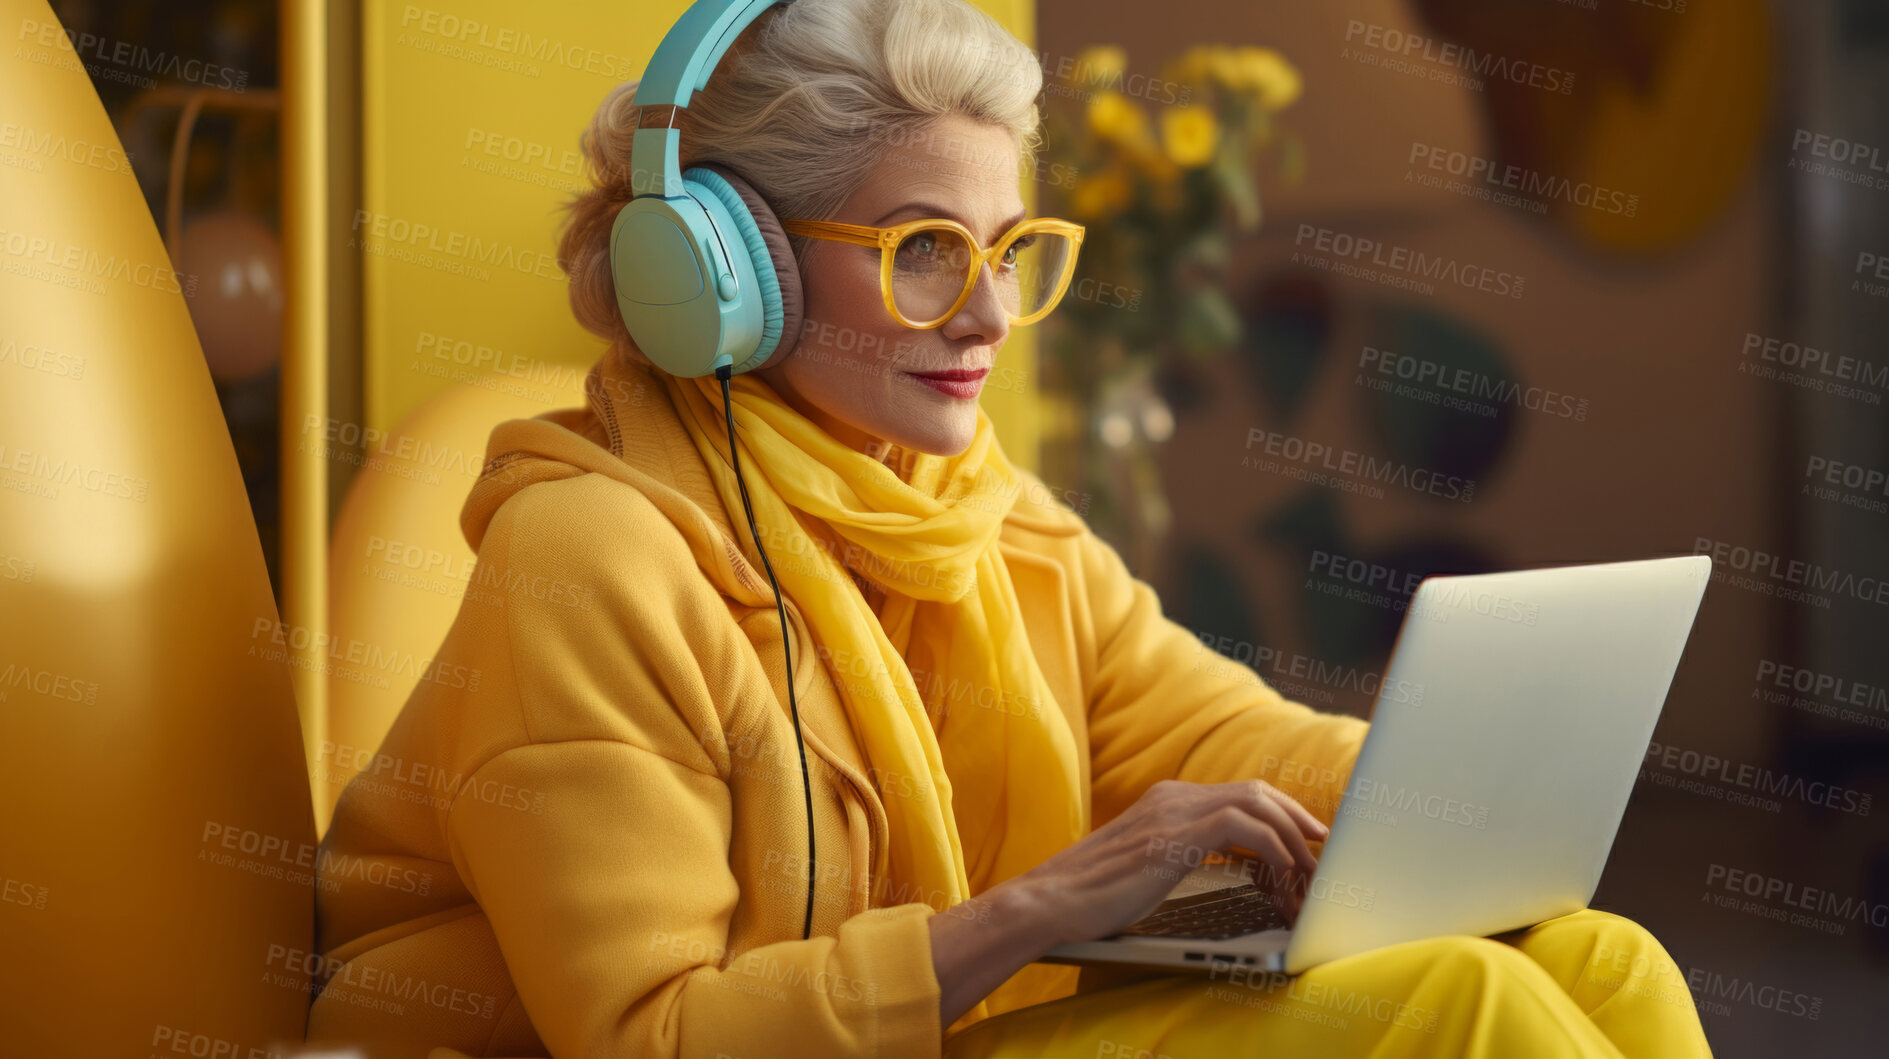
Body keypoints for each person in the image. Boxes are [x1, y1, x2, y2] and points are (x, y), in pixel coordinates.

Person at [305, 1, 1715, 1056]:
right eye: (924, 251)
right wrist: (1036, 909)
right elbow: (651, 1034)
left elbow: (1214, 740)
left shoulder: (992, 519)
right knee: (1457, 1004)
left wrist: (1439, 791)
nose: (986, 316)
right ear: (726, 272)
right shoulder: (590, 560)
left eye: (1007, 250)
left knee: (1598, 958)